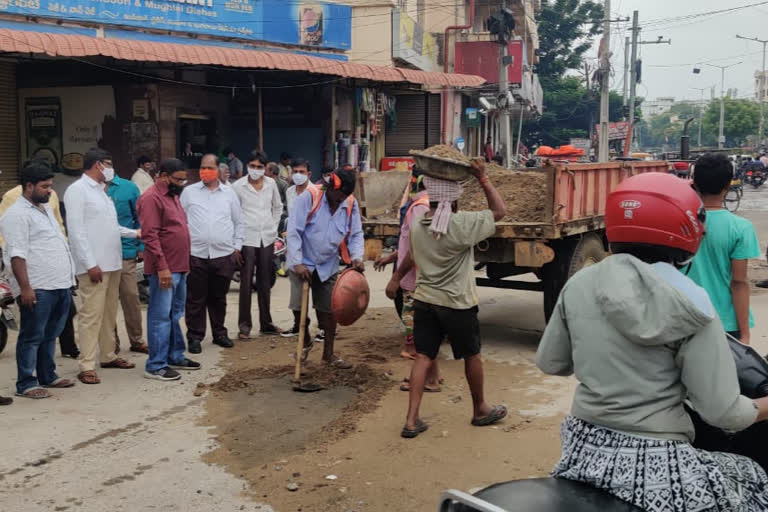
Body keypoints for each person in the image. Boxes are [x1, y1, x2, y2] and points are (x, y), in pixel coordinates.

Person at [536, 172, 768, 510]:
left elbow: (552, 362)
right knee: (754, 479)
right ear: (688, 230)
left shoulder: (580, 283)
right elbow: (725, 414)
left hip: (582, 452)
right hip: (656, 463)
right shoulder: (692, 301)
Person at [399, 160, 507, 438]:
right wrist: (483, 179)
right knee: (471, 355)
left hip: (425, 300)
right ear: (456, 201)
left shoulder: (416, 227)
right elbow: (499, 211)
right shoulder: (462, 225)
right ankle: (480, 409)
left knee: (423, 356)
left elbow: (411, 256)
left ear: (431, 198)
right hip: (458, 304)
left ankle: (411, 420)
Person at [0, 159, 77, 399]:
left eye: (50, 185)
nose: (50, 190)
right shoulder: (16, 214)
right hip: (38, 286)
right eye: (45, 186)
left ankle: (47, 375)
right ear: (29, 186)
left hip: (60, 283)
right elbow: (16, 254)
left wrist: (70, 277)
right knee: (32, 335)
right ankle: (26, 382)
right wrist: (25, 288)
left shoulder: (44, 209)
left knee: (50, 333)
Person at [64, 148, 139, 385]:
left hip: (112, 262)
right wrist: (89, 263)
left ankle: (108, 355)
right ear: (98, 165)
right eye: (108, 164)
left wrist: (135, 233)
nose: (110, 169)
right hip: (94, 265)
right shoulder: (77, 191)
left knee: (108, 313)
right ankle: (86, 364)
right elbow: (76, 232)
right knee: (90, 315)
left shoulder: (101, 192)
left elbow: (110, 227)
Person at [286, 169, 364, 368]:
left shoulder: (350, 203)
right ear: (330, 188)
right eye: (336, 199)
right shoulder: (309, 197)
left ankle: (328, 354)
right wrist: (297, 262)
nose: (338, 203)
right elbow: (294, 231)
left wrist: (356, 257)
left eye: (342, 200)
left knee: (329, 311)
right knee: (298, 308)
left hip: (327, 263)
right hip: (302, 260)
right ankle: (305, 341)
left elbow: (355, 234)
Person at [687, 153, 761, 344]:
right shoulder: (740, 228)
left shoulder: (681, 222)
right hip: (725, 324)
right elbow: (739, 282)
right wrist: (745, 334)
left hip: (684, 319)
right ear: (728, 185)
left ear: (694, 184)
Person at [138, 158, 199, 380]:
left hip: (180, 266)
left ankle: (174, 355)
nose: (182, 183)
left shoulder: (173, 196)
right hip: (164, 268)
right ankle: (155, 365)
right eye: (177, 179)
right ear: (163, 176)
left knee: (174, 314)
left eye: (184, 180)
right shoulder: (151, 198)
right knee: (160, 316)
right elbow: (150, 236)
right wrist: (162, 268)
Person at [180, 154, 243, 353]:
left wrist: (237, 246)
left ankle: (219, 334)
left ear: (218, 170)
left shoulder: (229, 193)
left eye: (209, 167)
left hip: (223, 255)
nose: (205, 171)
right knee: (195, 298)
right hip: (196, 254)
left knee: (218, 297)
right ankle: (195, 336)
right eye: (202, 167)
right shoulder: (189, 192)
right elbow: (180, 221)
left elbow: (238, 222)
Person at [232, 150, 283, 339]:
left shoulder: (271, 184)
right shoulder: (238, 187)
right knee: (246, 283)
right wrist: (235, 243)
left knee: (265, 281)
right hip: (247, 239)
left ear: (265, 168)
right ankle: (244, 327)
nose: (256, 170)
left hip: (267, 238)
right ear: (247, 167)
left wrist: (273, 226)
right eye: (252, 166)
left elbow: (278, 207)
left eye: (259, 167)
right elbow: (233, 215)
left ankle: (266, 323)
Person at [105, 172, 148, 355]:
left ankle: (137, 340)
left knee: (131, 296)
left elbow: (139, 218)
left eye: (107, 163)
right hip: (102, 254)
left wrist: (141, 245)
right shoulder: (91, 190)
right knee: (107, 302)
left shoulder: (128, 187)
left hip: (126, 251)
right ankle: (111, 343)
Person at [278, 159, 315, 285]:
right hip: (294, 240)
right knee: (297, 282)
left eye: (302, 172)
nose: (298, 175)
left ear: (309, 174)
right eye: (295, 172)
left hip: (311, 242)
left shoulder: (316, 192)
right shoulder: (290, 191)